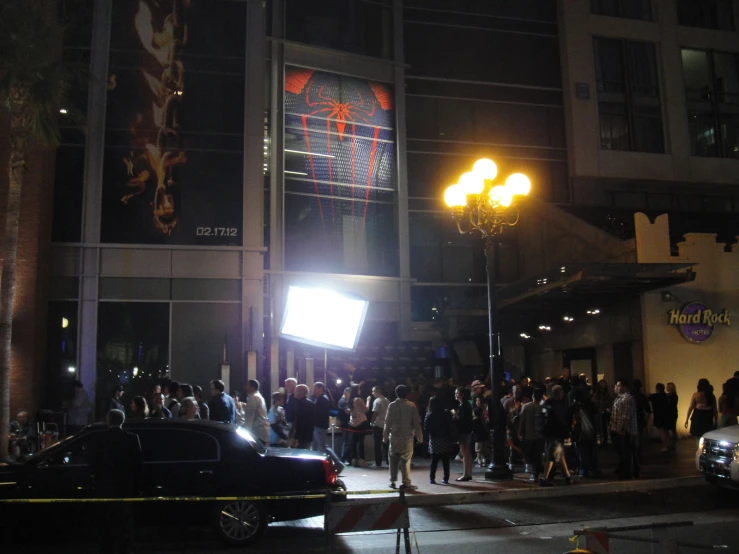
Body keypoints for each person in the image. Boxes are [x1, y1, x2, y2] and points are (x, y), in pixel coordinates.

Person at [89, 409, 143, 554]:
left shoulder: (100, 439)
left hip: (105, 488)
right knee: (124, 526)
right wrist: (137, 488)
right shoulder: (132, 438)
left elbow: (94, 464)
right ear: (122, 421)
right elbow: (137, 465)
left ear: (108, 421)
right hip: (125, 488)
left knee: (106, 525)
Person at [383, 384, 424, 490]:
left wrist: (385, 437)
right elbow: (416, 423)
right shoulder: (411, 405)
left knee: (393, 459)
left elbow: (387, 423)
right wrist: (420, 437)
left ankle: (392, 481)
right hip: (407, 437)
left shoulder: (392, 405)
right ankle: (406, 482)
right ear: (407, 393)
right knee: (405, 460)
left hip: (394, 436)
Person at [540, 385, 573, 486]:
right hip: (556, 434)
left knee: (559, 454)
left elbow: (543, 414)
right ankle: (544, 478)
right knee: (552, 455)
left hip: (549, 433)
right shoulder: (558, 405)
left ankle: (567, 476)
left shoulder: (547, 403)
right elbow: (561, 420)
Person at [610, 379, 639, 480]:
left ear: (624, 387)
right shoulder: (619, 398)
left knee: (627, 452)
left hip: (626, 430)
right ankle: (626, 470)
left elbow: (626, 416)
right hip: (618, 429)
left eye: (618, 386)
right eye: (616, 386)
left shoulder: (627, 398)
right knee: (623, 452)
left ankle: (629, 472)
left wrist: (622, 429)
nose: (616, 388)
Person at [425, 396, 455, 485]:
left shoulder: (429, 414)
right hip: (445, 438)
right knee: (445, 460)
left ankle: (432, 478)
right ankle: (446, 478)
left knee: (434, 460)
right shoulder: (446, 413)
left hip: (434, 439)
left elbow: (426, 428)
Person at [519, 389, 545, 482]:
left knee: (529, 454)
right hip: (540, 435)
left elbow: (522, 421)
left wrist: (520, 433)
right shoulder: (543, 407)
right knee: (537, 455)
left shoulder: (526, 407)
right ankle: (537, 472)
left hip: (528, 435)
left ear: (533, 396)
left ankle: (535, 472)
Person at [454, 387, 474, 481]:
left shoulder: (463, 406)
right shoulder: (467, 405)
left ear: (461, 394)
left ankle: (466, 474)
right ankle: (468, 473)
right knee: (467, 453)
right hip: (468, 431)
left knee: (465, 453)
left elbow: (461, 420)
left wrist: (454, 414)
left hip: (463, 431)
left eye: (457, 393)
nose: (456, 395)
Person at [369, 385, 390, 468]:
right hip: (386, 424)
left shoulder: (377, 401)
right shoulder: (386, 400)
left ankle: (378, 462)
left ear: (378, 391)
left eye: (373, 391)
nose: (372, 393)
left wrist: (371, 422)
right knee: (386, 444)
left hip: (378, 425)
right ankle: (389, 461)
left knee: (377, 445)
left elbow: (375, 413)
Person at [244, 379, 270, 444]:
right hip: (262, 430)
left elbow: (250, 417)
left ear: (252, 387)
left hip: (257, 431)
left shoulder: (253, 397)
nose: (245, 387)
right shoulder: (259, 396)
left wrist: (246, 432)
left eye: (247, 385)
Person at [349, 396, 370, 467]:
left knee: (353, 442)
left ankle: (354, 459)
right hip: (360, 422)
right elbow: (366, 409)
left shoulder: (350, 400)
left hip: (353, 423)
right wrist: (368, 400)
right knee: (361, 443)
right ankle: (362, 460)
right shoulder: (358, 399)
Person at [292, 384, 315, 450]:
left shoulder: (301, 404)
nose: (294, 393)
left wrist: (296, 436)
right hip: (307, 434)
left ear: (300, 393)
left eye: (296, 391)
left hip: (303, 435)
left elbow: (300, 422)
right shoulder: (309, 403)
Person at [592, 379, 613, 448]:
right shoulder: (597, 394)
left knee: (606, 427)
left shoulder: (607, 394)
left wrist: (606, 407)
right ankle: (603, 440)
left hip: (606, 413)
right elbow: (594, 401)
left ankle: (606, 440)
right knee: (601, 427)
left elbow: (610, 401)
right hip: (599, 413)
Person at [649, 383, 670, 451]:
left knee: (661, 432)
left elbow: (648, 398)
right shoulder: (666, 396)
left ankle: (664, 446)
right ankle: (667, 444)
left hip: (658, 415)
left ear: (657, 389)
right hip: (666, 415)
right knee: (666, 431)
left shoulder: (654, 396)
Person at [312, 382, 332, 452]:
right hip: (317, 425)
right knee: (316, 445)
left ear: (320, 389)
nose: (313, 390)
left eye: (315, 388)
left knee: (321, 445)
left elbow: (320, 413)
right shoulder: (319, 398)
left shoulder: (323, 399)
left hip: (320, 426)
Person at [337, 387, 353, 463]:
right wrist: (354, 408)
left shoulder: (342, 401)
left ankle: (346, 458)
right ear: (347, 393)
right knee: (346, 442)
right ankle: (344, 459)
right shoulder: (343, 402)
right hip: (345, 424)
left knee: (347, 442)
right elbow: (347, 411)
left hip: (344, 423)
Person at [665, 382, 679, 451]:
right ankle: (672, 442)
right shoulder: (672, 395)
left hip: (671, 414)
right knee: (672, 429)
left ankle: (672, 442)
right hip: (672, 413)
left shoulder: (673, 396)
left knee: (671, 429)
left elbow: (671, 405)